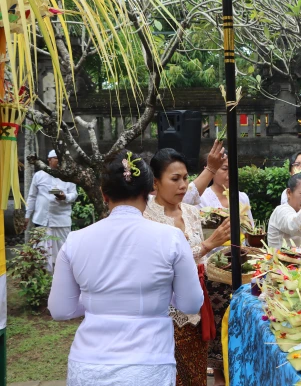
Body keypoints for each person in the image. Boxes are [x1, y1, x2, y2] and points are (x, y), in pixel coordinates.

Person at [48, 150, 204, 386]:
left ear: (103, 194)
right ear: (149, 192)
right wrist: (159, 296)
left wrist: (98, 299)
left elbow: (60, 309)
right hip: (149, 365)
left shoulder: (75, 241)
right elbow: (190, 303)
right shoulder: (171, 238)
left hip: (89, 365)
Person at [145, 148, 231, 386]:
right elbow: (161, 264)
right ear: (155, 183)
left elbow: (201, 259)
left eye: (184, 178)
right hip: (164, 313)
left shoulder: (192, 212)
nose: (183, 185)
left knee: (195, 374)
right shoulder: (146, 217)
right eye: (175, 179)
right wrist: (206, 246)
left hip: (197, 308)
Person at [25, 150, 77, 272]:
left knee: (63, 253)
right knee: (41, 255)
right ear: (49, 160)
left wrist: (65, 197)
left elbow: (74, 194)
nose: (59, 161)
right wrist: (27, 215)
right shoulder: (39, 175)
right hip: (42, 220)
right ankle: (44, 281)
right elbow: (32, 196)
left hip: (61, 220)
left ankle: (62, 279)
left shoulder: (68, 176)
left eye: (61, 159)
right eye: (56, 158)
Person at [185, 151, 254, 226]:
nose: (231, 173)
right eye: (224, 169)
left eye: (233, 168)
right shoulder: (200, 198)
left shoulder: (242, 197)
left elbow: (251, 229)